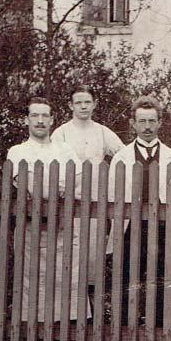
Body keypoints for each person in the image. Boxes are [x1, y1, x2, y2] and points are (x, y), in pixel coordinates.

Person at [7, 97, 83, 321]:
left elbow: (77, 180)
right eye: (35, 115)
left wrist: (54, 186)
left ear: (52, 120)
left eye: (45, 116)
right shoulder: (17, 151)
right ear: (26, 120)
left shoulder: (65, 149)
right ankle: (34, 337)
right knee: (33, 283)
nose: (40, 121)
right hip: (32, 230)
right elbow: (31, 185)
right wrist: (58, 185)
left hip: (64, 229)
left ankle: (67, 336)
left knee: (66, 282)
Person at [108, 96, 171, 317]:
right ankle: (123, 329)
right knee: (127, 279)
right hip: (130, 227)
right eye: (142, 121)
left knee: (160, 280)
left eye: (152, 121)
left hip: (161, 227)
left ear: (160, 122)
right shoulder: (121, 158)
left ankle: (158, 328)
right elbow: (113, 197)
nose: (147, 127)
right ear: (133, 123)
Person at [51, 86, 124, 283]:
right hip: (67, 203)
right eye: (78, 102)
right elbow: (51, 164)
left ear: (94, 104)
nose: (83, 107)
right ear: (70, 105)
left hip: (94, 203)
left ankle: (90, 294)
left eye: (87, 102)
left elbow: (123, 156)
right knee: (67, 251)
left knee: (92, 252)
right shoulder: (61, 133)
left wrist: (110, 183)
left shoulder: (102, 132)